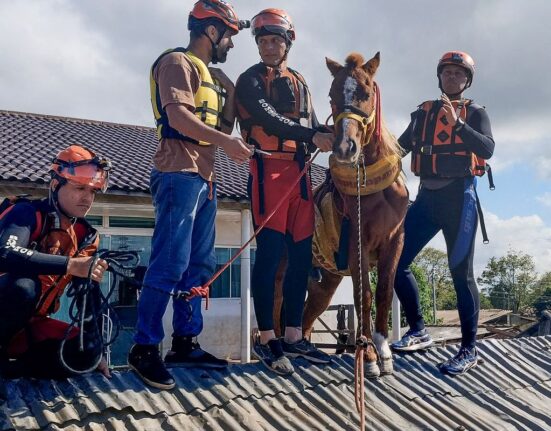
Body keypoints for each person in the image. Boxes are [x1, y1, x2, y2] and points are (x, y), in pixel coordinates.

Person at [128, 0, 253, 390]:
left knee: (198, 265)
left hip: (205, 178)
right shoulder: (176, 64)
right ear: (212, 31)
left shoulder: (212, 76)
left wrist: (231, 94)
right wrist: (228, 144)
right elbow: (179, 117)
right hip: (177, 173)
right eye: (229, 36)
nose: (231, 45)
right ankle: (143, 347)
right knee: (170, 261)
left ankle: (184, 341)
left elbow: (224, 120)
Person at [235, 8, 334, 375]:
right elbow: (267, 118)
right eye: (262, 41)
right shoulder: (250, 80)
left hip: (302, 173)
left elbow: (311, 123)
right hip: (269, 171)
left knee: (301, 257)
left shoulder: (300, 81)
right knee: (270, 256)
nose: (268, 47)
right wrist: (312, 136)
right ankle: (266, 338)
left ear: (288, 42)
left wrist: (337, 132)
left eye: (275, 40)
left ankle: (294, 335)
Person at [391, 51, 495, 375]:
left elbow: (487, 148)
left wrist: (458, 124)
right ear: (440, 77)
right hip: (426, 199)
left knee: (461, 275)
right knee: (395, 261)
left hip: (459, 199)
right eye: (447, 73)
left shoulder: (476, 112)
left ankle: (469, 350)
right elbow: (398, 148)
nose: (452, 78)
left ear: (467, 80)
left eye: (458, 74)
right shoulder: (423, 113)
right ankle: (419, 330)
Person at [0, 145, 111, 379]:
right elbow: (6, 253)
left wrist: (97, 352)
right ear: (54, 185)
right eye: (80, 188)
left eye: (92, 191)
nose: (87, 198)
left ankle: (11, 371)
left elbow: (87, 296)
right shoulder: (26, 213)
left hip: (29, 325)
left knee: (86, 353)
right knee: (24, 287)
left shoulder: (87, 236)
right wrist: (71, 265)